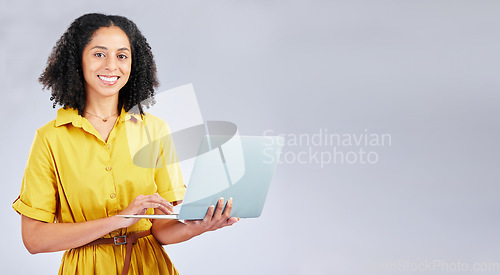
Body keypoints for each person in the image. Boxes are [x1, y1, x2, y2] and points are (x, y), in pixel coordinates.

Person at [12, 13, 238, 275]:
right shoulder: (50, 138)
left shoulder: (155, 129)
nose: (111, 66)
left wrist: (199, 226)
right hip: (87, 269)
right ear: (78, 60)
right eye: (99, 54)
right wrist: (119, 220)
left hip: (151, 266)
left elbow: (161, 229)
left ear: (133, 64)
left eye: (122, 56)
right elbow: (35, 239)